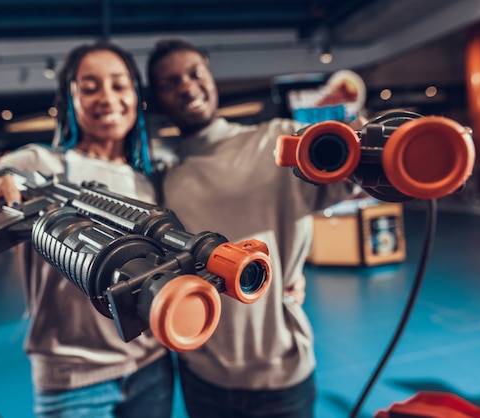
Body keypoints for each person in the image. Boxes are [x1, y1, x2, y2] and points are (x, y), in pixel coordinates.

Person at [0, 41, 174, 418]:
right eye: (89, 88)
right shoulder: (39, 164)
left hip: (152, 366)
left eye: (119, 85)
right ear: (68, 101)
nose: (107, 97)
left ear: (135, 96)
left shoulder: (151, 178)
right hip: (73, 380)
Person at [146, 38, 354, 418]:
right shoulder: (162, 178)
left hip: (281, 374)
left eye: (194, 73)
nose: (187, 86)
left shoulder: (277, 141)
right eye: (170, 82)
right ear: (158, 98)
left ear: (211, 77)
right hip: (202, 375)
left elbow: (354, 171)